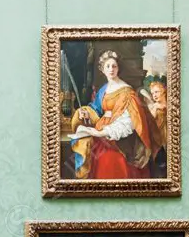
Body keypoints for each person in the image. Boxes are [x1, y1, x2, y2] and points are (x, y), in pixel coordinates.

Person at [68, 49, 161, 179]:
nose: (111, 69)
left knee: (110, 164)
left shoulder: (127, 92)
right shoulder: (104, 89)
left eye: (114, 66)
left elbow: (128, 123)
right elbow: (96, 109)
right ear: (102, 69)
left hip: (118, 142)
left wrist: (100, 133)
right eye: (108, 66)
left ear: (118, 69)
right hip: (99, 134)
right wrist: (86, 113)